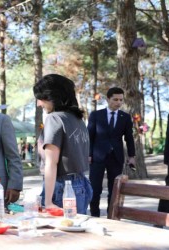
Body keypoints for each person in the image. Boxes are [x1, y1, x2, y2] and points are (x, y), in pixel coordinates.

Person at [33, 74, 93, 214]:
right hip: (81, 184)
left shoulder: (54, 118)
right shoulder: (78, 119)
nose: (39, 104)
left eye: (40, 98)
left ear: (52, 96)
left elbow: (51, 163)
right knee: (76, 231)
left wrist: (48, 202)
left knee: (59, 234)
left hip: (61, 187)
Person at [87, 87, 135, 217]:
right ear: (108, 99)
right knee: (95, 189)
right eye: (115, 99)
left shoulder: (125, 117)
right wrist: (89, 154)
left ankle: (111, 215)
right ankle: (94, 215)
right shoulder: (96, 115)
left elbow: (129, 138)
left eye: (121, 100)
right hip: (97, 157)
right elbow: (89, 137)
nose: (118, 102)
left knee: (114, 189)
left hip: (116, 157)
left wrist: (132, 156)